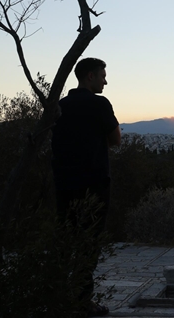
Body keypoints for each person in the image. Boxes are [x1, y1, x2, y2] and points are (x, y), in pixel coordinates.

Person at [51, 57, 121, 317]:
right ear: (90, 76)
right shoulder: (99, 104)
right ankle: (83, 299)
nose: (106, 80)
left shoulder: (60, 105)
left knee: (64, 239)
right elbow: (116, 139)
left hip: (64, 182)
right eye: (103, 75)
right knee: (89, 242)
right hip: (94, 183)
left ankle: (56, 293)